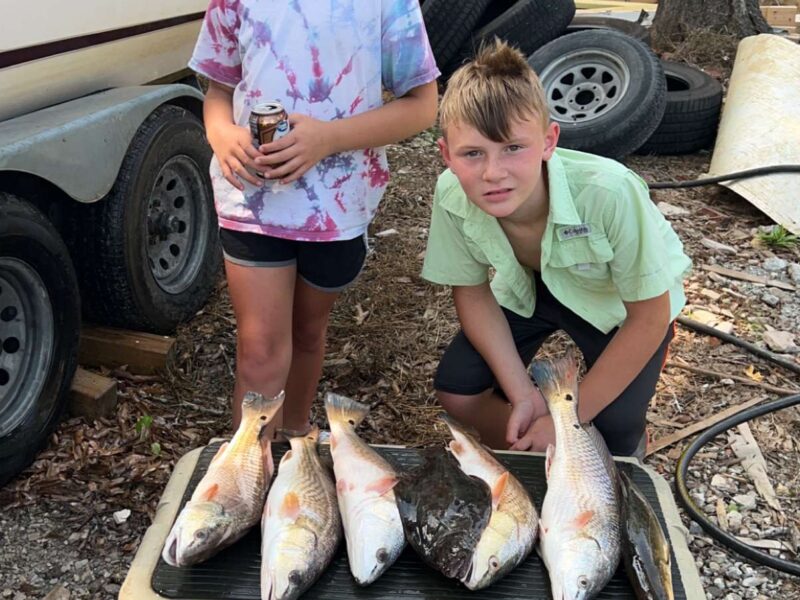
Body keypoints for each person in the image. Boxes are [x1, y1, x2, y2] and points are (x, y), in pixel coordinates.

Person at [421, 39, 691, 458]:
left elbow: (649, 316)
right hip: (532, 285)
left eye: (513, 148)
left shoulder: (610, 191)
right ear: (446, 156)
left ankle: (603, 449)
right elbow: (472, 292)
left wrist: (570, 417)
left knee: (614, 426)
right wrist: (523, 394)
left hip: (621, 304)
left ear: (549, 141)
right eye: (473, 154)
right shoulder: (450, 193)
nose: (494, 173)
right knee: (458, 391)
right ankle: (535, 452)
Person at [190, 0, 440, 432]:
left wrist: (328, 138)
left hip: (337, 210)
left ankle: (295, 437)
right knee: (260, 350)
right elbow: (218, 89)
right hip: (253, 204)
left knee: (307, 331)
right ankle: (250, 472)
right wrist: (221, 133)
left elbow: (422, 105)